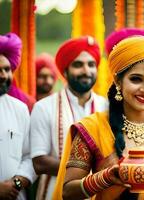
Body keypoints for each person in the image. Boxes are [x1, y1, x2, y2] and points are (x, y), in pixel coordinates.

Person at [53, 34, 144, 200]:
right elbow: (68, 192)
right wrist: (105, 177)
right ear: (118, 81)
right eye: (136, 79)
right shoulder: (92, 127)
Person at [30, 36, 108, 200]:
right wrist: (86, 171)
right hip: (53, 191)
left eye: (91, 64)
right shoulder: (44, 107)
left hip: (99, 192)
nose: (86, 71)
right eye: (78, 65)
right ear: (65, 71)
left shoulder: (107, 107)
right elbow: (39, 162)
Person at [0, 32, 36, 200]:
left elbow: (29, 157)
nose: (3, 75)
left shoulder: (20, 109)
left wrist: (16, 184)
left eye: (6, 69)